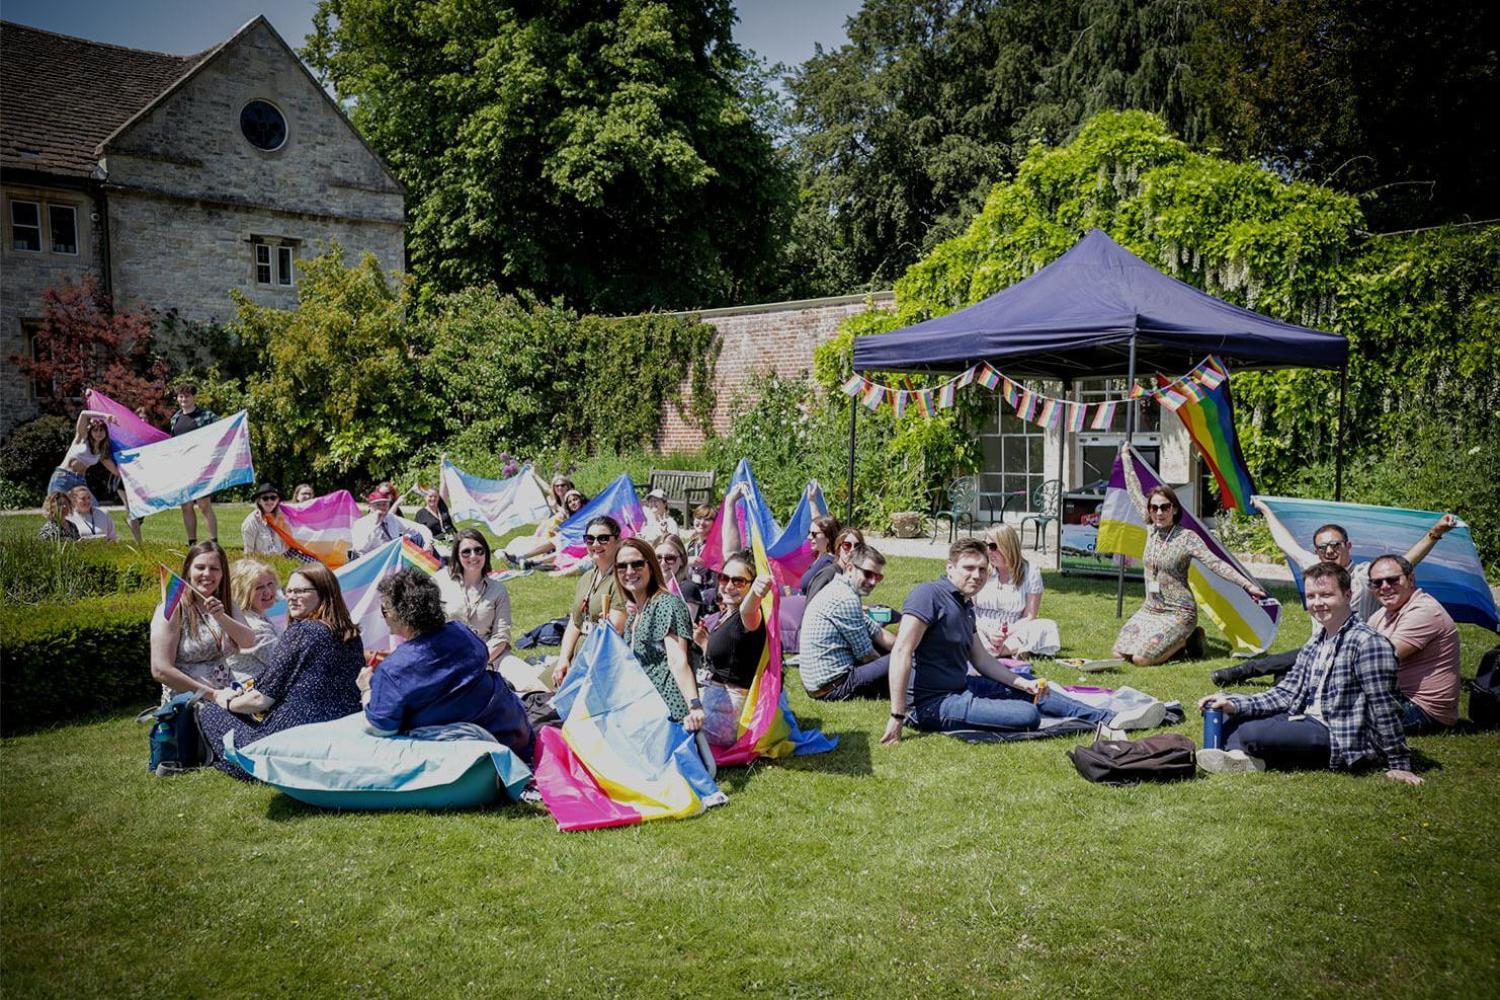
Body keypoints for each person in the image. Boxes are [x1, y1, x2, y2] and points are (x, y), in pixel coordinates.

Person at [1196, 561, 1421, 784]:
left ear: (1347, 595)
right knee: (1224, 713)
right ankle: (1243, 759)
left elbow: (1385, 707)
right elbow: (1286, 692)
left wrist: (1399, 763)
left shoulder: (1368, 643)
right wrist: (1234, 703)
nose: (1317, 603)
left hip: (1342, 737)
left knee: (1250, 732)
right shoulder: (1317, 640)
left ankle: (1239, 751)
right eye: (1311, 596)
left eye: (1326, 595)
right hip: (1307, 718)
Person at [882, 539, 1112, 744]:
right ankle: (1100, 718)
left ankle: (1106, 717)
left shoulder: (965, 603)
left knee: (1032, 688)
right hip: (930, 705)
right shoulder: (928, 595)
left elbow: (981, 659)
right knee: (1027, 715)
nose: (976, 575)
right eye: (969, 568)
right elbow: (901, 651)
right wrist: (897, 715)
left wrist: (1022, 683)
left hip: (961, 686)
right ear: (950, 569)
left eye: (982, 569)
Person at [1217, 500, 1460, 685]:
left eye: (1336, 545)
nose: (1330, 550)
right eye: (1323, 547)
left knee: (1292, 665)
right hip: (1317, 647)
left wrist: (1434, 533)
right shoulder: (1315, 568)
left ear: (1348, 546)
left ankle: (1244, 671)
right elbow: (1285, 543)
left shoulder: (1366, 575)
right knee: (1288, 673)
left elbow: (1406, 562)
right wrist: (1265, 510)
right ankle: (1271, 679)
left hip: (1350, 652)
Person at [197, 563, 365, 777]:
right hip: (341, 732)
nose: (292, 597)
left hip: (292, 741)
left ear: (324, 593)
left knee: (210, 711)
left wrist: (226, 701)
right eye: (289, 591)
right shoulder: (350, 633)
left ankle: (232, 763)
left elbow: (261, 700)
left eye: (301, 591)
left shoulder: (303, 631)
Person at [1112, 449, 1267, 665]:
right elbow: (1133, 490)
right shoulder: (1150, 529)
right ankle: (1176, 642)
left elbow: (1216, 564)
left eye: (1164, 507)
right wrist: (1126, 458)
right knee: (1119, 655)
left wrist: (1247, 585)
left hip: (1179, 612)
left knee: (1140, 659)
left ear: (1174, 509)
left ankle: (1187, 641)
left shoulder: (1187, 538)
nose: (1159, 512)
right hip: (1151, 608)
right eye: (1154, 508)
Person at [362, 568, 533, 761]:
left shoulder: (393, 671)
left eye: (384, 610)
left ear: (402, 616)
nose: (382, 616)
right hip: (513, 733)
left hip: (474, 763)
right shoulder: (461, 632)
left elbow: (379, 727)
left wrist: (366, 690)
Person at [436, 529, 548, 694]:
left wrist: (479, 660)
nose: (473, 556)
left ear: (486, 553)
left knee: (531, 684)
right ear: (457, 555)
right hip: (451, 658)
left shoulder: (498, 590)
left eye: (478, 550)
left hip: (492, 656)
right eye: (466, 552)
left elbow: (501, 636)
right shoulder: (440, 582)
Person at [148, 541, 257, 704]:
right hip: (188, 702)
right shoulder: (172, 609)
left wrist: (221, 617)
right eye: (200, 567)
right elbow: (160, 670)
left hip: (227, 699)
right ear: (188, 572)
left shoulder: (226, 604)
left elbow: (248, 642)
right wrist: (211, 694)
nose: (207, 574)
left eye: (214, 569)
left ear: (222, 574)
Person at [1365, 553, 1461, 733]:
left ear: (1410, 579)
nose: (1384, 587)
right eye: (1377, 583)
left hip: (1422, 710)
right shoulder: (1385, 612)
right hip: (1395, 696)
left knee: (1341, 713)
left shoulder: (1424, 611)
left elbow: (1379, 660)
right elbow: (1355, 643)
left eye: (1392, 580)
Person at [615, 538, 704, 731]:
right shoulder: (637, 612)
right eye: (622, 566)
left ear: (651, 566)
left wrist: (694, 705)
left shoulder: (666, 604)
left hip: (666, 714)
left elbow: (677, 660)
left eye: (637, 564)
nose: (629, 572)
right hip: (641, 705)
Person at [690, 549, 770, 744]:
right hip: (712, 700)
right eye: (724, 578)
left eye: (739, 581)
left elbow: (748, 609)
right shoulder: (726, 614)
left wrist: (757, 592)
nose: (729, 586)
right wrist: (704, 643)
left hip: (725, 714)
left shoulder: (750, 617)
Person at [799, 542, 896, 701]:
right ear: (850, 568)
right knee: (903, 659)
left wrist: (906, 645)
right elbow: (867, 656)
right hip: (833, 686)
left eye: (878, 577)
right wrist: (900, 664)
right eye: (868, 574)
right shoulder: (846, 599)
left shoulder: (840, 588)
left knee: (903, 652)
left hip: (820, 684)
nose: (873, 582)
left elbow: (877, 632)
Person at [551, 516, 627, 686]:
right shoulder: (587, 577)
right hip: (579, 656)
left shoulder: (622, 579)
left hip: (602, 663)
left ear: (617, 541)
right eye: (590, 539)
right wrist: (564, 659)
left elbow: (614, 631)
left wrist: (579, 670)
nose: (595, 544)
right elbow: (575, 622)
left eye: (603, 538)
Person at [975, 523, 1059, 658]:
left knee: (1046, 626)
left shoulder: (1030, 572)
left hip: (1013, 629)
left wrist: (1005, 633)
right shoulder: (980, 569)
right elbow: (968, 610)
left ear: (1007, 547)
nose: (988, 551)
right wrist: (989, 631)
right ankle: (1009, 650)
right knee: (963, 626)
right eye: (986, 545)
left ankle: (992, 651)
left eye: (993, 546)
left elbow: (1029, 616)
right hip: (981, 626)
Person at [166, 384, 219, 545]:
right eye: (181, 396)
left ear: (194, 397)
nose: (184, 399)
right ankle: (192, 542)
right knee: (186, 506)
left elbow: (222, 430)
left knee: (204, 504)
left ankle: (214, 541)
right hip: (182, 468)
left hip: (201, 467)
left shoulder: (206, 416)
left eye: (187, 396)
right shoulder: (175, 418)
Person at [226, 557, 283, 682]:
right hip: (248, 689)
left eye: (270, 584)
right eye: (259, 588)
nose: (267, 592)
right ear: (243, 592)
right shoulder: (255, 627)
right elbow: (283, 663)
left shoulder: (254, 615)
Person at [352, 483, 433, 556]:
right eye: (378, 505)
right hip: (371, 564)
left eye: (385, 504)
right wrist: (376, 525)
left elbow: (421, 528)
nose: (382, 508)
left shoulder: (392, 519)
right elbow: (360, 548)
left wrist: (428, 544)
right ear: (370, 506)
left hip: (392, 563)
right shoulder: (361, 524)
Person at [805, 526, 866, 601]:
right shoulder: (829, 574)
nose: (852, 550)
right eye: (847, 545)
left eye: (857, 546)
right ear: (838, 548)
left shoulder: (852, 576)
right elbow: (810, 606)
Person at [655, 534, 704, 619]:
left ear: (682, 560)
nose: (663, 563)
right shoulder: (650, 588)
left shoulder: (687, 588)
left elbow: (685, 627)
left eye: (670, 558)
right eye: (658, 557)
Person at [240, 482, 289, 556]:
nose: (270, 501)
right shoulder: (251, 522)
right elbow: (248, 552)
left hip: (282, 560)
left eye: (273, 498)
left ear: (278, 500)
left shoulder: (283, 518)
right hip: (262, 563)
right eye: (265, 498)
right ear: (259, 501)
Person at [799, 513, 842, 593]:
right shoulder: (821, 557)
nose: (809, 537)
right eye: (809, 532)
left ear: (828, 537)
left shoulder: (828, 564)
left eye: (814, 534)